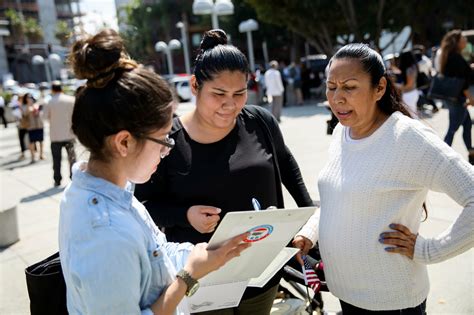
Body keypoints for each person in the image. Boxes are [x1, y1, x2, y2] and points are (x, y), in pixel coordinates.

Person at [59, 28, 250, 315]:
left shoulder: (112, 190)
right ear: (124, 142)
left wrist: (204, 255)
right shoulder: (105, 232)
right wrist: (188, 277)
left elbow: (155, 253)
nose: (168, 149)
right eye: (163, 139)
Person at [135, 29, 314, 315]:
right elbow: (143, 207)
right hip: (200, 282)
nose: (230, 104)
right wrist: (185, 215)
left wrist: (309, 221)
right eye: (218, 94)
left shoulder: (260, 121)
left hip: (262, 274)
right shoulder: (168, 139)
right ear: (195, 86)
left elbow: (287, 166)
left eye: (239, 93)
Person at [293, 43, 474, 314]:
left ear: (379, 88)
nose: (337, 97)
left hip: (391, 302)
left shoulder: (408, 138)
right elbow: (337, 197)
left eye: (350, 87)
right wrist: (309, 233)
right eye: (331, 87)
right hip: (345, 294)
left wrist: (429, 250)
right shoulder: (344, 131)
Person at [438, 29, 474, 164]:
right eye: (463, 39)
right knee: (452, 128)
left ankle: (471, 152)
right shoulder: (455, 58)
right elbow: (461, 81)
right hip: (458, 98)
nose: (466, 41)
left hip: (453, 98)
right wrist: (470, 98)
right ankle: (441, 156)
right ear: (457, 42)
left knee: (467, 124)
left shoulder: (451, 56)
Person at [43, 81, 77, 187]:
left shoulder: (49, 102)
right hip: (69, 134)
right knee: (72, 158)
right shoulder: (71, 100)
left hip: (56, 135)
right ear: (61, 89)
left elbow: (44, 117)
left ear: (52, 90)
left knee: (56, 159)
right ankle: (74, 177)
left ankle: (57, 179)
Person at [397, 50, 419, 117]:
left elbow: (408, 85)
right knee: (413, 114)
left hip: (409, 94)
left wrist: (396, 85)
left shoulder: (409, 69)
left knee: (411, 116)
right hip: (412, 93)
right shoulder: (413, 67)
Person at [24, 93, 45, 162]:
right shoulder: (25, 106)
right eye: (28, 98)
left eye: (31, 98)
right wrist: (29, 107)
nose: (29, 99)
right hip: (31, 126)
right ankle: (33, 156)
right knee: (32, 142)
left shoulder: (37, 104)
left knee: (41, 141)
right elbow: (24, 114)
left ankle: (41, 154)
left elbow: (43, 103)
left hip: (39, 125)